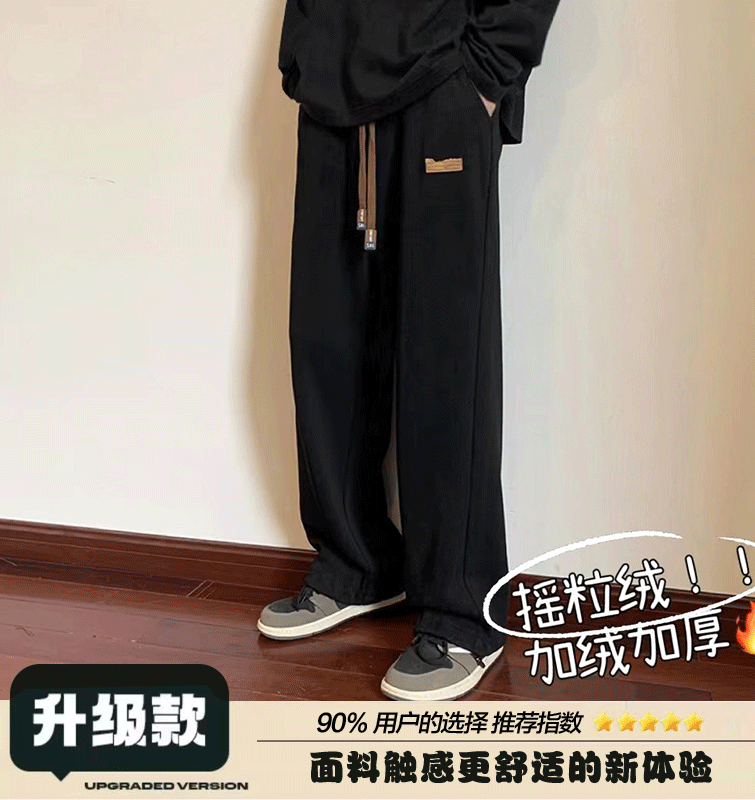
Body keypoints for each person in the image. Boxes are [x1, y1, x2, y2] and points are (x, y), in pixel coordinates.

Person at [258, 0, 561, 702]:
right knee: (327, 339)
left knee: (445, 355)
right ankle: (355, 563)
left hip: (443, 82)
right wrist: (302, 52)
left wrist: (488, 69)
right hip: (332, 87)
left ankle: (463, 612)